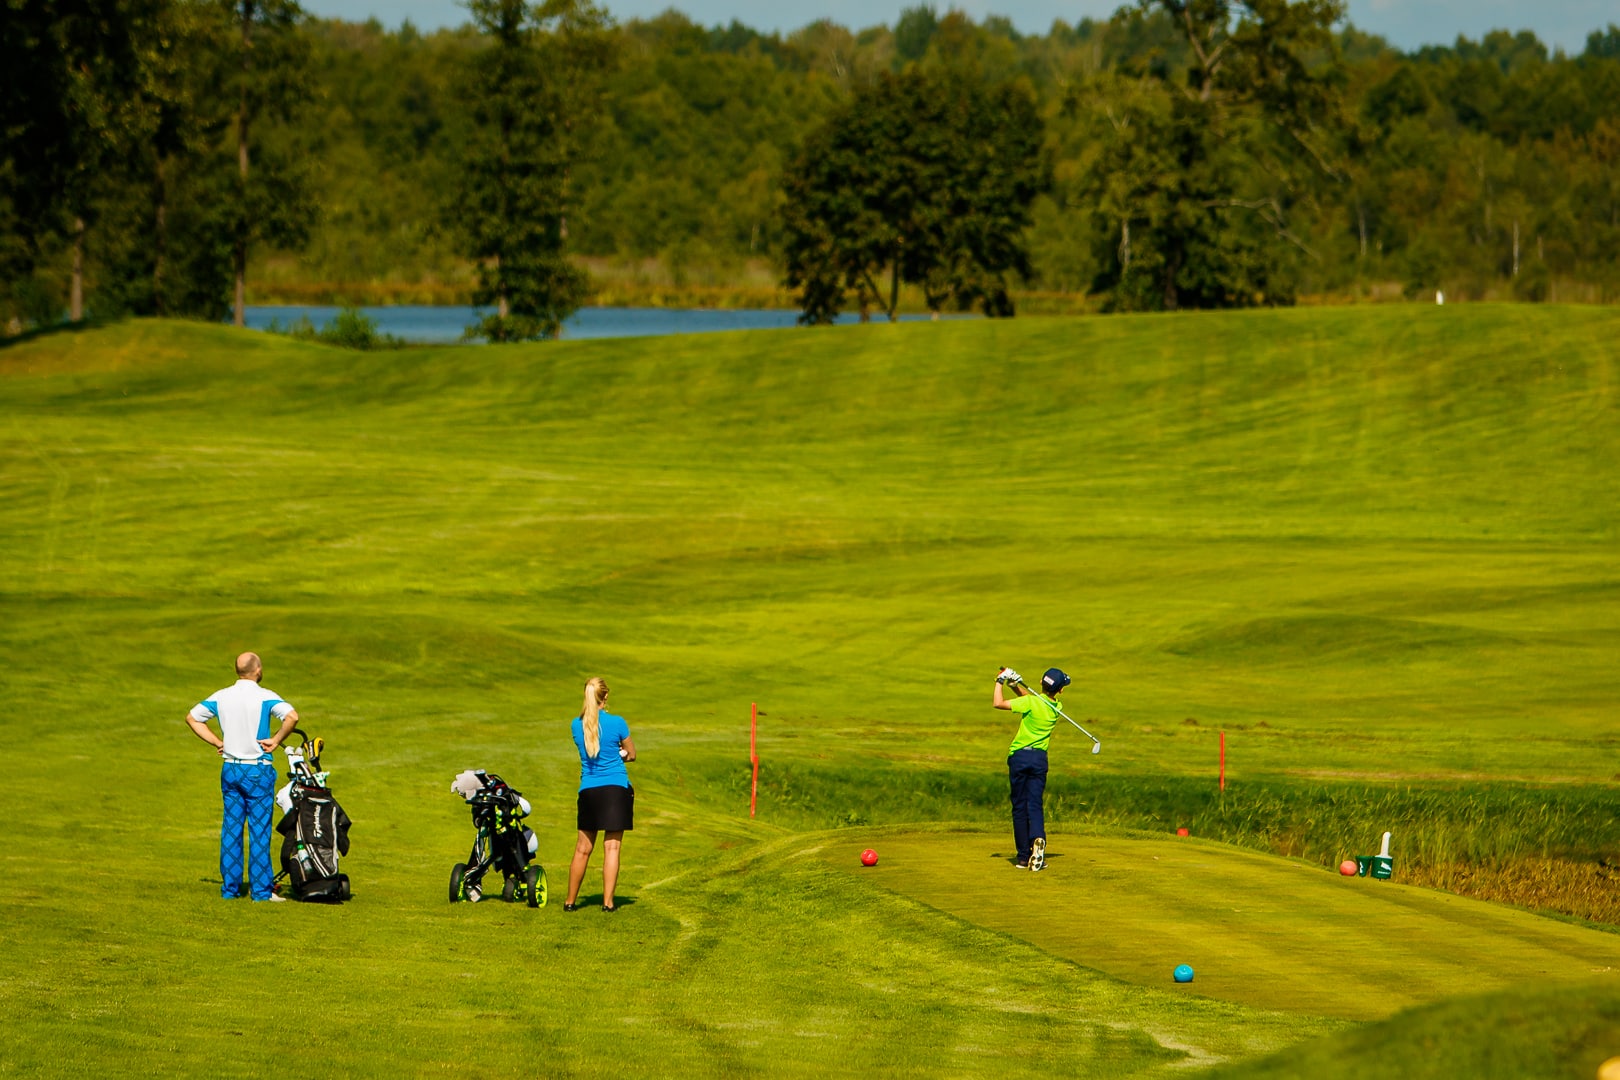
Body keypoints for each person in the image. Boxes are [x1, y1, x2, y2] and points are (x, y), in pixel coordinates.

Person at [185, 652, 300, 901]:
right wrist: (276, 740)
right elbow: (292, 717)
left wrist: (218, 742)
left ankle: (230, 889)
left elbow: (192, 718)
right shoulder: (265, 696)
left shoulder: (222, 696)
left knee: (231, 829)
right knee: (259, 831)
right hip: (257, 769)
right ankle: (261, 891)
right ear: (257, 670)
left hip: (231, 769)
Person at [564, 677, 637, 912]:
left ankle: (570, 902)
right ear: (605, 697)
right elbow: (631, 754)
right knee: (611, 848)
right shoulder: (617, 723)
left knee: (582, 849)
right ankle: (608, 903)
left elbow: (592, 749)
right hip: (615, 789)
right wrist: (620, 753)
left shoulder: (576, 725)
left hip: (589, 790)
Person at [993, 666, 1071, 872]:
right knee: (1034, 804)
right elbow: (1033, 701)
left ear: (1040, 683)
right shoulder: (1056, 707)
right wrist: (1014, 686)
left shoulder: (1030, 702)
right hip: (1039, 760)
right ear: (1060, 690)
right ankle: (1038, 838)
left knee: (1019, 806)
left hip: (1019, 757)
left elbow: (998, 703)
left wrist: (1000, 681)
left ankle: (1022, 857)